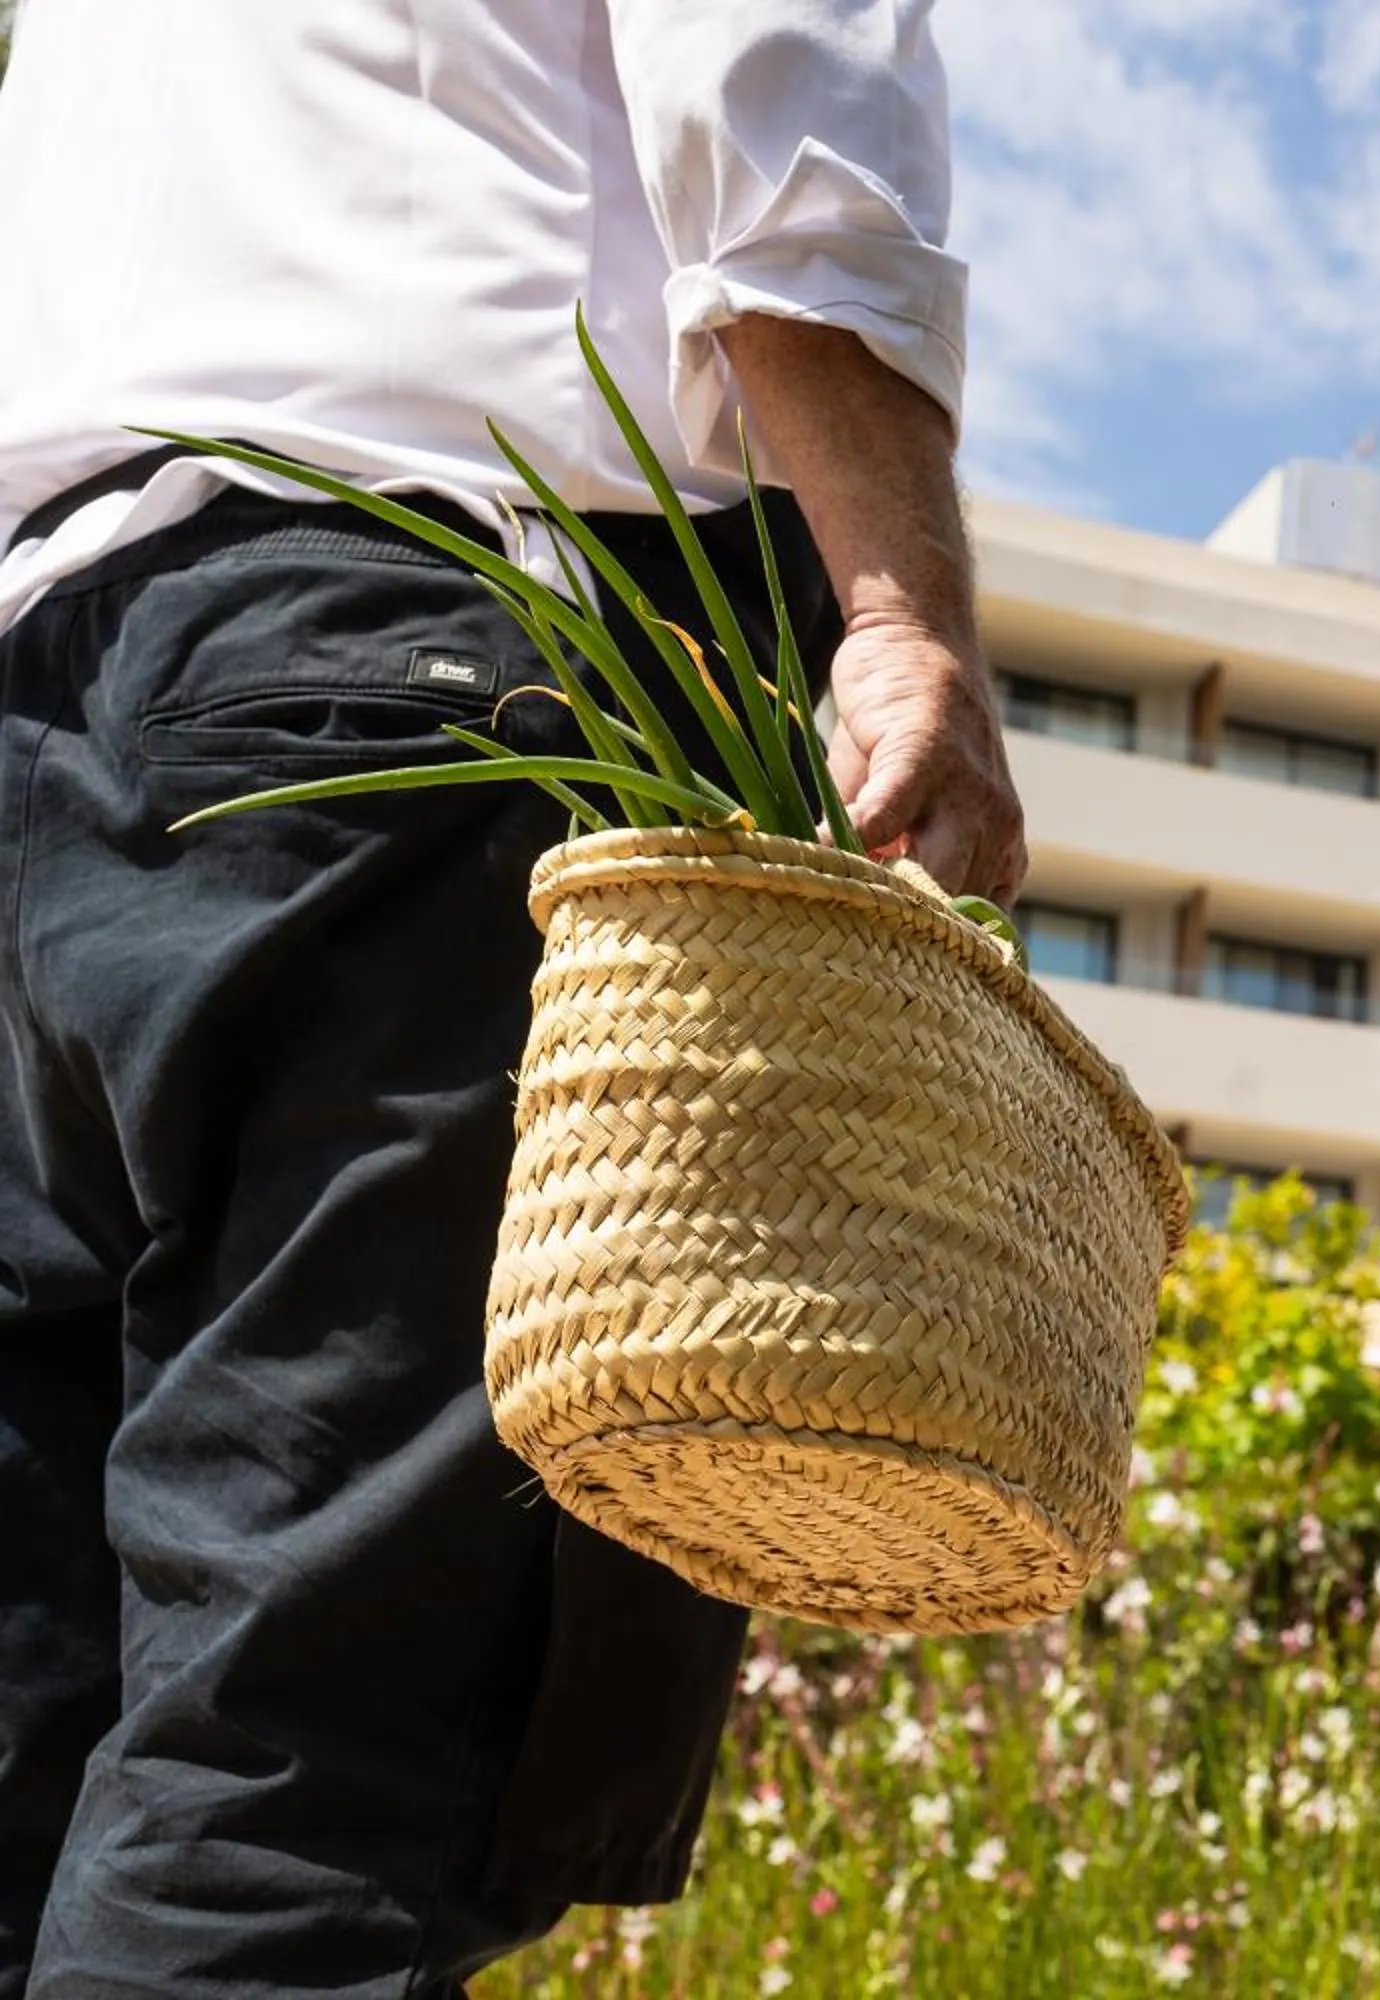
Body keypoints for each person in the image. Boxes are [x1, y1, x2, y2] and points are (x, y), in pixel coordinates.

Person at [0, 3, 1024, 1990]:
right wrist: (907, 615)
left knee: (30, 1748)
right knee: (314, 1762)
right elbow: (775, 82)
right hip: (410, 694)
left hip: (42, 720)